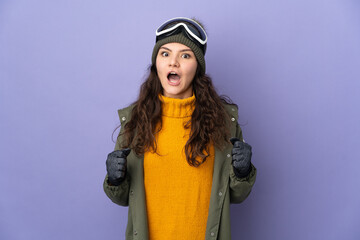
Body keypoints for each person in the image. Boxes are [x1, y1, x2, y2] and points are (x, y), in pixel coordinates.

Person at [103, 17, 257, 240]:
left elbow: (236, 194)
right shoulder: (135, 122)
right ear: (156, 63)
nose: (173, 62)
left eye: (185, 55)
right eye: (165, 53)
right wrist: (115, 179)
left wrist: (243, 171)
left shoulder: (224, 122)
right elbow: (122, 197)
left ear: (198, 67)